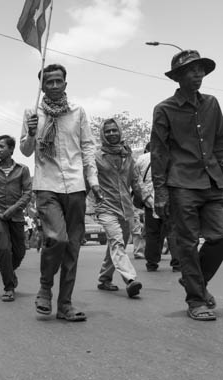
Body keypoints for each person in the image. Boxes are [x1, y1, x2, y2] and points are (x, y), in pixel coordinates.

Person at [20, 63, 101, 321]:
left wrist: (93, 180)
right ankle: (45, 288)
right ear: (41, 86)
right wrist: (31, 133)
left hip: (76, 185)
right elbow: (25, 150)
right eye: (48, 82)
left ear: (66, 83)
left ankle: (65, 304)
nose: (54, 86)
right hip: (46, 185)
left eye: (58, 81)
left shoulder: (78, 111)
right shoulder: (33, 113)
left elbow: (87, 146)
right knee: (57, 239)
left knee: (73, 247)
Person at [151, 50, 223, 321]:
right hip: (181, 184)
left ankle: (196, 283)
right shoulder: (164, 109)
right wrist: (160, 192)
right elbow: (159, 152)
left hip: (213, 181)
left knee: (219, 237)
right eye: (192, 71)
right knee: (188, 244)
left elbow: (219, 142)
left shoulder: (213, 104)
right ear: (179, 76)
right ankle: (196, 300)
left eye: (201, 70)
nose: (198, 75)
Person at [94, 119, 143, 298]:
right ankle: (130, 279)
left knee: (115, 244)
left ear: (120, 132)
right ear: (102, 134)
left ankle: (104, 279)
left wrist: (150, 201)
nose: (112, 134)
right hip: (105, 207)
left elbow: (136, 181)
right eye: (107, 131)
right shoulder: (96, 156)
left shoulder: (127, 155)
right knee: (117, 241)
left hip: (126, 208)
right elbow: (88, 181)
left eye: (114, 130)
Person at [0, 135, 32, 302]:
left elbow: (27, 193)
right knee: (3, 249)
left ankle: (10, 271)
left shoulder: (23, 169)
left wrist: (13, 209)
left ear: (11, 149)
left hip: (17, 216)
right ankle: (9, 287)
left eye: (2, 146)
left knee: (19, 251)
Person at [136, 143, 180, 272]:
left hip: (150, 201)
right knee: (173, 232)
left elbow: (137, 181)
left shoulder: (141, 159)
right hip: (170, 199)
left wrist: (145, 198)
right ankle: (177, 263)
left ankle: (151, 263)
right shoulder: (173, 156)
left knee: (152, 233)